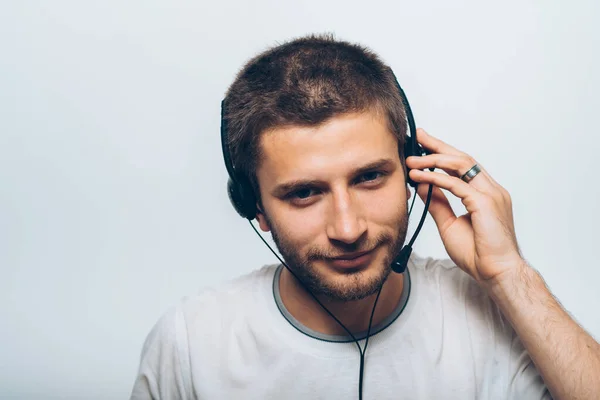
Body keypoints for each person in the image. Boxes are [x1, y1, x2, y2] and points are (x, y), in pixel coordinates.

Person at [130, 34, 600, 400]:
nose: (349, 229)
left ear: (416, 170)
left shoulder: (496, 314)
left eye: (369, 178)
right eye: (304, 193)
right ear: (255, 207)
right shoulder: (191, 343)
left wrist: (510, 275)